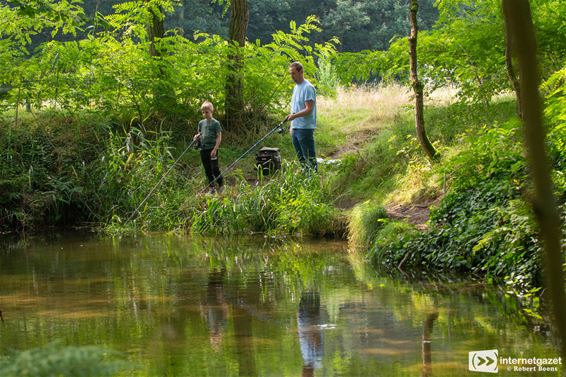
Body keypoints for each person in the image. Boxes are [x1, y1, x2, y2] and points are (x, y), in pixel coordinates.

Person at [286, 61, 318, 172]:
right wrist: (292, 126)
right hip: (296, 128)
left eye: (293, 73)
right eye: (290, 73)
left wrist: (294, 117)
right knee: (301, 160)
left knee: (309, 159)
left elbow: (309, 109)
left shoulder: (308, 87)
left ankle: (313, 181)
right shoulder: (296, 87)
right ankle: (306, 181)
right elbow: (295, 109)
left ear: (301, 72)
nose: (292, 76)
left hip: (305, 129)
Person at [194, 101, 223, 193]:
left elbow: (219, 137)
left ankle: (221, 185)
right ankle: (212, 188)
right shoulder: (201, 123)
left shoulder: (216, 123)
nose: (205, 114)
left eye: (207, 112)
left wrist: (215, 149)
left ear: (211, 111)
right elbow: (199, 134)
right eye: (203, 112)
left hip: (212, 149)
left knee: (215, 168)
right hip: (203, 149)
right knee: (207, 169)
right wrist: (196, 137)